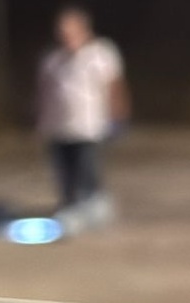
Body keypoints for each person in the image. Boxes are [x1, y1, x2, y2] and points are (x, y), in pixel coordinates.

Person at [37, 6, 129, 229]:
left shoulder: (100, 54)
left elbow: (115, 87)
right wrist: (40, 119)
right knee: (64, 172)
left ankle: (93, 209)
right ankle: (69, 207)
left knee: (87, 171)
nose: (66, 37)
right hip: (58, 128)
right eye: (62, 32)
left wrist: (118, 116)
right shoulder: (52, 60)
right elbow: (44, 92)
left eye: (71, 32)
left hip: (88, 127)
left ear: (84, 31)